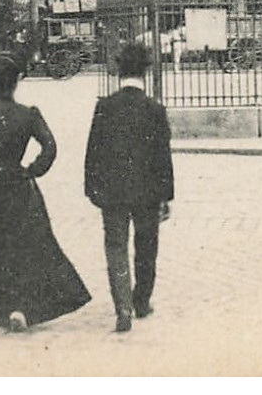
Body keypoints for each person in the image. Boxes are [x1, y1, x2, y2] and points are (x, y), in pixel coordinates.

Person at [0, 55, 90, 332]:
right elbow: (50, 146)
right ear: (15, 83)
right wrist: (32, 170)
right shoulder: (28, 114)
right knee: (22, 245)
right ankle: (22, 304)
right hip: (17, 185)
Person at [84, 45, 174, 333]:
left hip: (113, 192)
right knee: (146, 247)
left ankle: (122, 306)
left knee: (116, 247)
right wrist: (166, 195)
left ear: (119, 70)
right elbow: (163, 156)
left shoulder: (105, 107)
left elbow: (93, 152)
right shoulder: (155, 109)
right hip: (147, 192)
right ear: (145, 71)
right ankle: (141, 300)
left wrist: (93, 189)